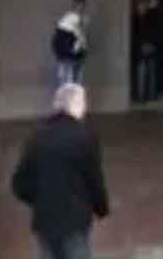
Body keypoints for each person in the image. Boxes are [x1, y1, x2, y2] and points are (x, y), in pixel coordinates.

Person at [12, 83, 110, 259]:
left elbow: (20, 184)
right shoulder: (85, 137)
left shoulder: (37, 137)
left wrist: (40, 200)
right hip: (75, 220)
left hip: (45, 220)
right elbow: (94, 179)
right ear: (76, 105)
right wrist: (101, 208)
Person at [52, 0, 89, 87]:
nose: (81, 8)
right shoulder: (71, 18)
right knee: (69, 82)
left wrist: (82, 49)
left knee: (70, 82)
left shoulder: (73, 19)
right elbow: (78, 37)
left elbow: (80, 37)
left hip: (71, 55)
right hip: (68, 55)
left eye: (83, 6)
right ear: (76, 5)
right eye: (79, 5)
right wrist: (78, 48)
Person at [132, 0, 161, 103]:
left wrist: (150, 44)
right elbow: (135, 36)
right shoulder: (135, 19)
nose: (142, 7)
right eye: (140, 5)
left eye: (144, 5)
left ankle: (151, 95)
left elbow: (154, 32)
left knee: (151, 72)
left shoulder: (150, 18)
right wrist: (141, 46)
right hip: (140, 50)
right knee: (141, 72)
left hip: (150, 47)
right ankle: (141, 96)